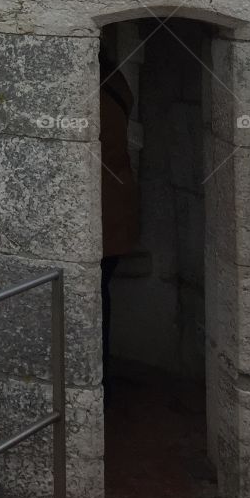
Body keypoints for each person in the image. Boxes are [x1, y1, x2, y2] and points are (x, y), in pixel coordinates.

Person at [99, 49, 140, 402]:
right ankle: (102, 377)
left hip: (102, 214)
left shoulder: (96, 99)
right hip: (118, 209)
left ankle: (99, 379)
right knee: (101, 294)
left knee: (95, 298)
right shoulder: (118, 87)